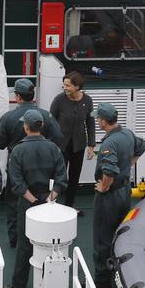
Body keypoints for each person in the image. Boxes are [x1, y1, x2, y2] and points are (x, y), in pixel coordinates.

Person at [0, 78, 63, 246]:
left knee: (13, 205)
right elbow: (58, 138)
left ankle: (15, 240)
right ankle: (41, 237)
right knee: (44, 203)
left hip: (17, 167)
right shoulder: (45, 116)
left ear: (17, 97)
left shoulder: (8, 118)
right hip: (44, 170)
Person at [5, 110, 67, 288]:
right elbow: (61, 179)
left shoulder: (18, 150)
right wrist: (49, 198)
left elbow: (16, 182)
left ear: (25, 127)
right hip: (50, 204)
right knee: (52, 246)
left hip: (28, 204)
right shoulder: (53, 148)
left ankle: (18, 287)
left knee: (25, 245)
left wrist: (34, 201)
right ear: (42, 127)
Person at [91, 102, 145, 286]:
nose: (97, 121)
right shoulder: (128, 134)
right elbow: (141, 147)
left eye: (98, 118)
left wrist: (104, 188)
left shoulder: (109, 142)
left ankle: (102, 280)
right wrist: (129, 165)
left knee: (102, 237)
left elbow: (109, 170)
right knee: (119, 233)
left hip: (110, 196)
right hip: (125, 192)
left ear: (104, 122)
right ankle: (119, 273)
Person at [50, 71, 95, 209]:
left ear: (77, 87)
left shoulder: (87, 101)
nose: (65, 88)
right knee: (58, 176)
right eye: (64, 85)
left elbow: (90, 122)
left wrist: (91, 145)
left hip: (78, 146)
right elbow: (51, 121)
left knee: (74, 177)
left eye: (68, 85)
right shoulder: (59, 100)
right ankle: (51, 203)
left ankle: (70, 205)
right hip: (60, 146)